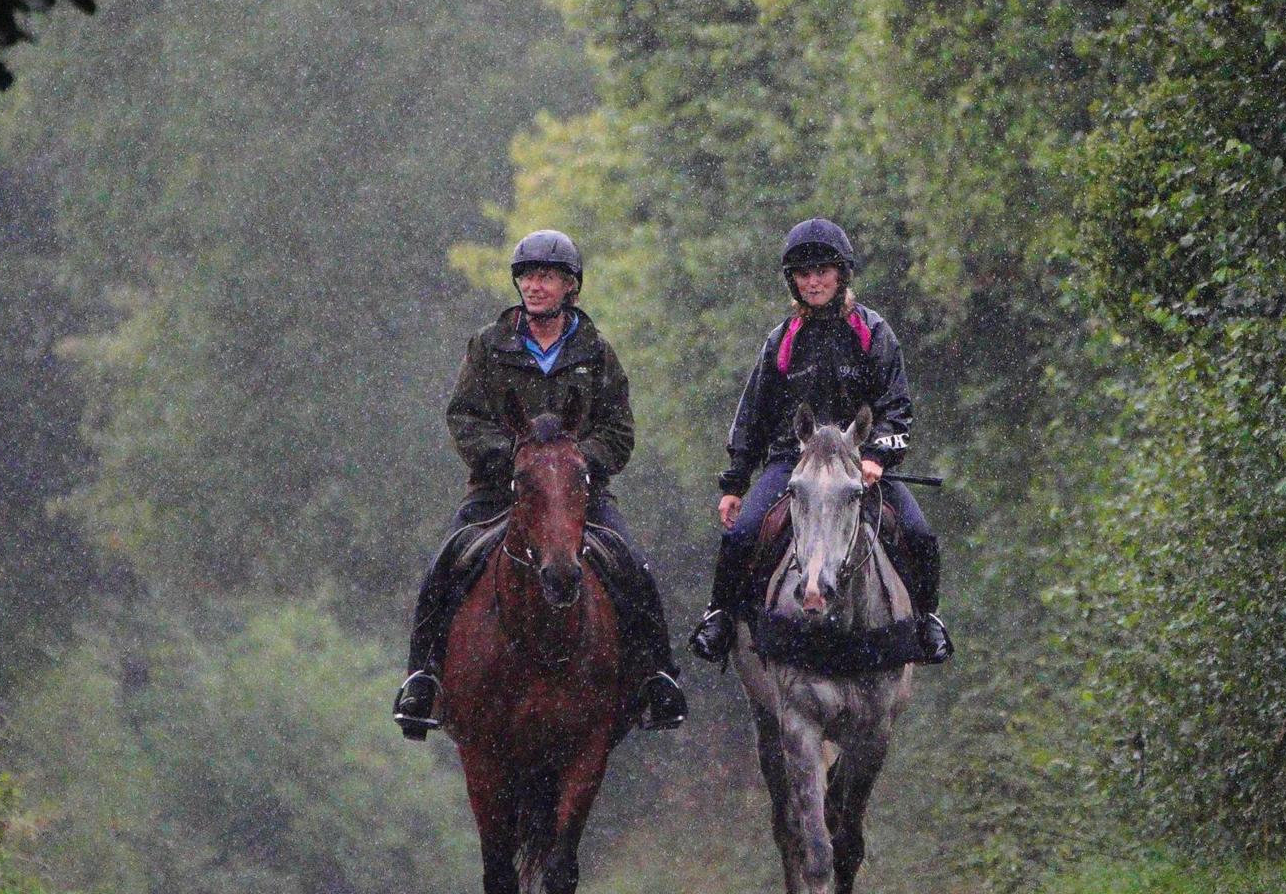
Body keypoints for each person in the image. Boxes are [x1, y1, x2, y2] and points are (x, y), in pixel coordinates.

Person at [392, 229, 689, 738]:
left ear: (571, 287)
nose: (535, 286)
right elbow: (463, 415)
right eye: (528, 276)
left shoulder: (596, 351)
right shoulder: (489, 345)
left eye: (547, 277)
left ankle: (657, 678)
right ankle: (422, 679)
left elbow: (619, 429)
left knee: (634, 566)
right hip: (497, 490)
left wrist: (572, 463)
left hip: (579, 495)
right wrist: (512, 458)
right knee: (444, 562)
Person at [689, 218, 952, 665]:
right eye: (803, 273)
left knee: (919, 534)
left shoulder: (874, 333)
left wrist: (875, 455)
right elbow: (752, 415)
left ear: (842, 274)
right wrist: (735, 483)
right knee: (742, 536)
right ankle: (720, 617)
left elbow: (897, 407)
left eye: (822, 271)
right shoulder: (782, 341)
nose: (813, 281)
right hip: (794, 465)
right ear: (792, 280)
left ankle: (927, 619)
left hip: (861, 465)